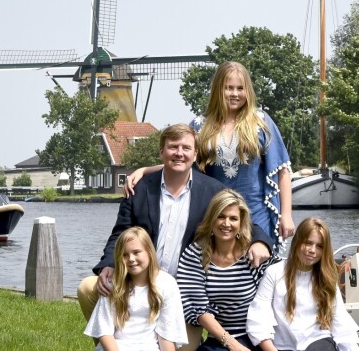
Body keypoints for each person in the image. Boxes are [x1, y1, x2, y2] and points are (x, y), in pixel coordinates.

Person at [77, 124, 273, 351]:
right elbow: (120, 232)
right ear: (162, 152)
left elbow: (238, 216)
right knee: (87, 287)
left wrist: (259, 241)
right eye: (173, 147)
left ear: (194, 154)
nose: (179, 153)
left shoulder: (211, 190)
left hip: (181, 291)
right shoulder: (139, 189)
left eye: (186, 148)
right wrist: (109, 264)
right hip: (139, 280)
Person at [125, 61, 294, 244]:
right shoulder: (201, 125)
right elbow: (183, 162)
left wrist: (286, 214)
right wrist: (145, 170)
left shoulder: (261, 123)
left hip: (255, 212)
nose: (235, 94)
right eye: (229, 88)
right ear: (218, 89)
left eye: (240, 88)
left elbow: (281, 170)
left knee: (257, 261)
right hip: (216, 212)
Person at [246, 217, 359, 351]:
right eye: (307, 243)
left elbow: (340, 321)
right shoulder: (274, 273)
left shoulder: (326, 277)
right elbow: (258, 317)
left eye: (319, 246)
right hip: (285, 345)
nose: (312, 250)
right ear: (297, 242)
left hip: (318, 339)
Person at [176, 189, 280, 351]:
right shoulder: (195, 254)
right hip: (220, 336)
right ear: (211, 219)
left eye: (233, 219)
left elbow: (283, 281)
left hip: (253, 336)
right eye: (221, 217)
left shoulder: (254, 253)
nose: (226, 224)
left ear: (241, 223)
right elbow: (198, 309)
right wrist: (230, 342)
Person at [84, 227, 188, 351]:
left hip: (146, 349)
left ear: (149, 251)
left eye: (136, 252)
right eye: (125, 255)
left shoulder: (166, 283)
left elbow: (167, 333)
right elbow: (103, 329)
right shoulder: (114, 282)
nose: (131, 259)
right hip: (115, 346)